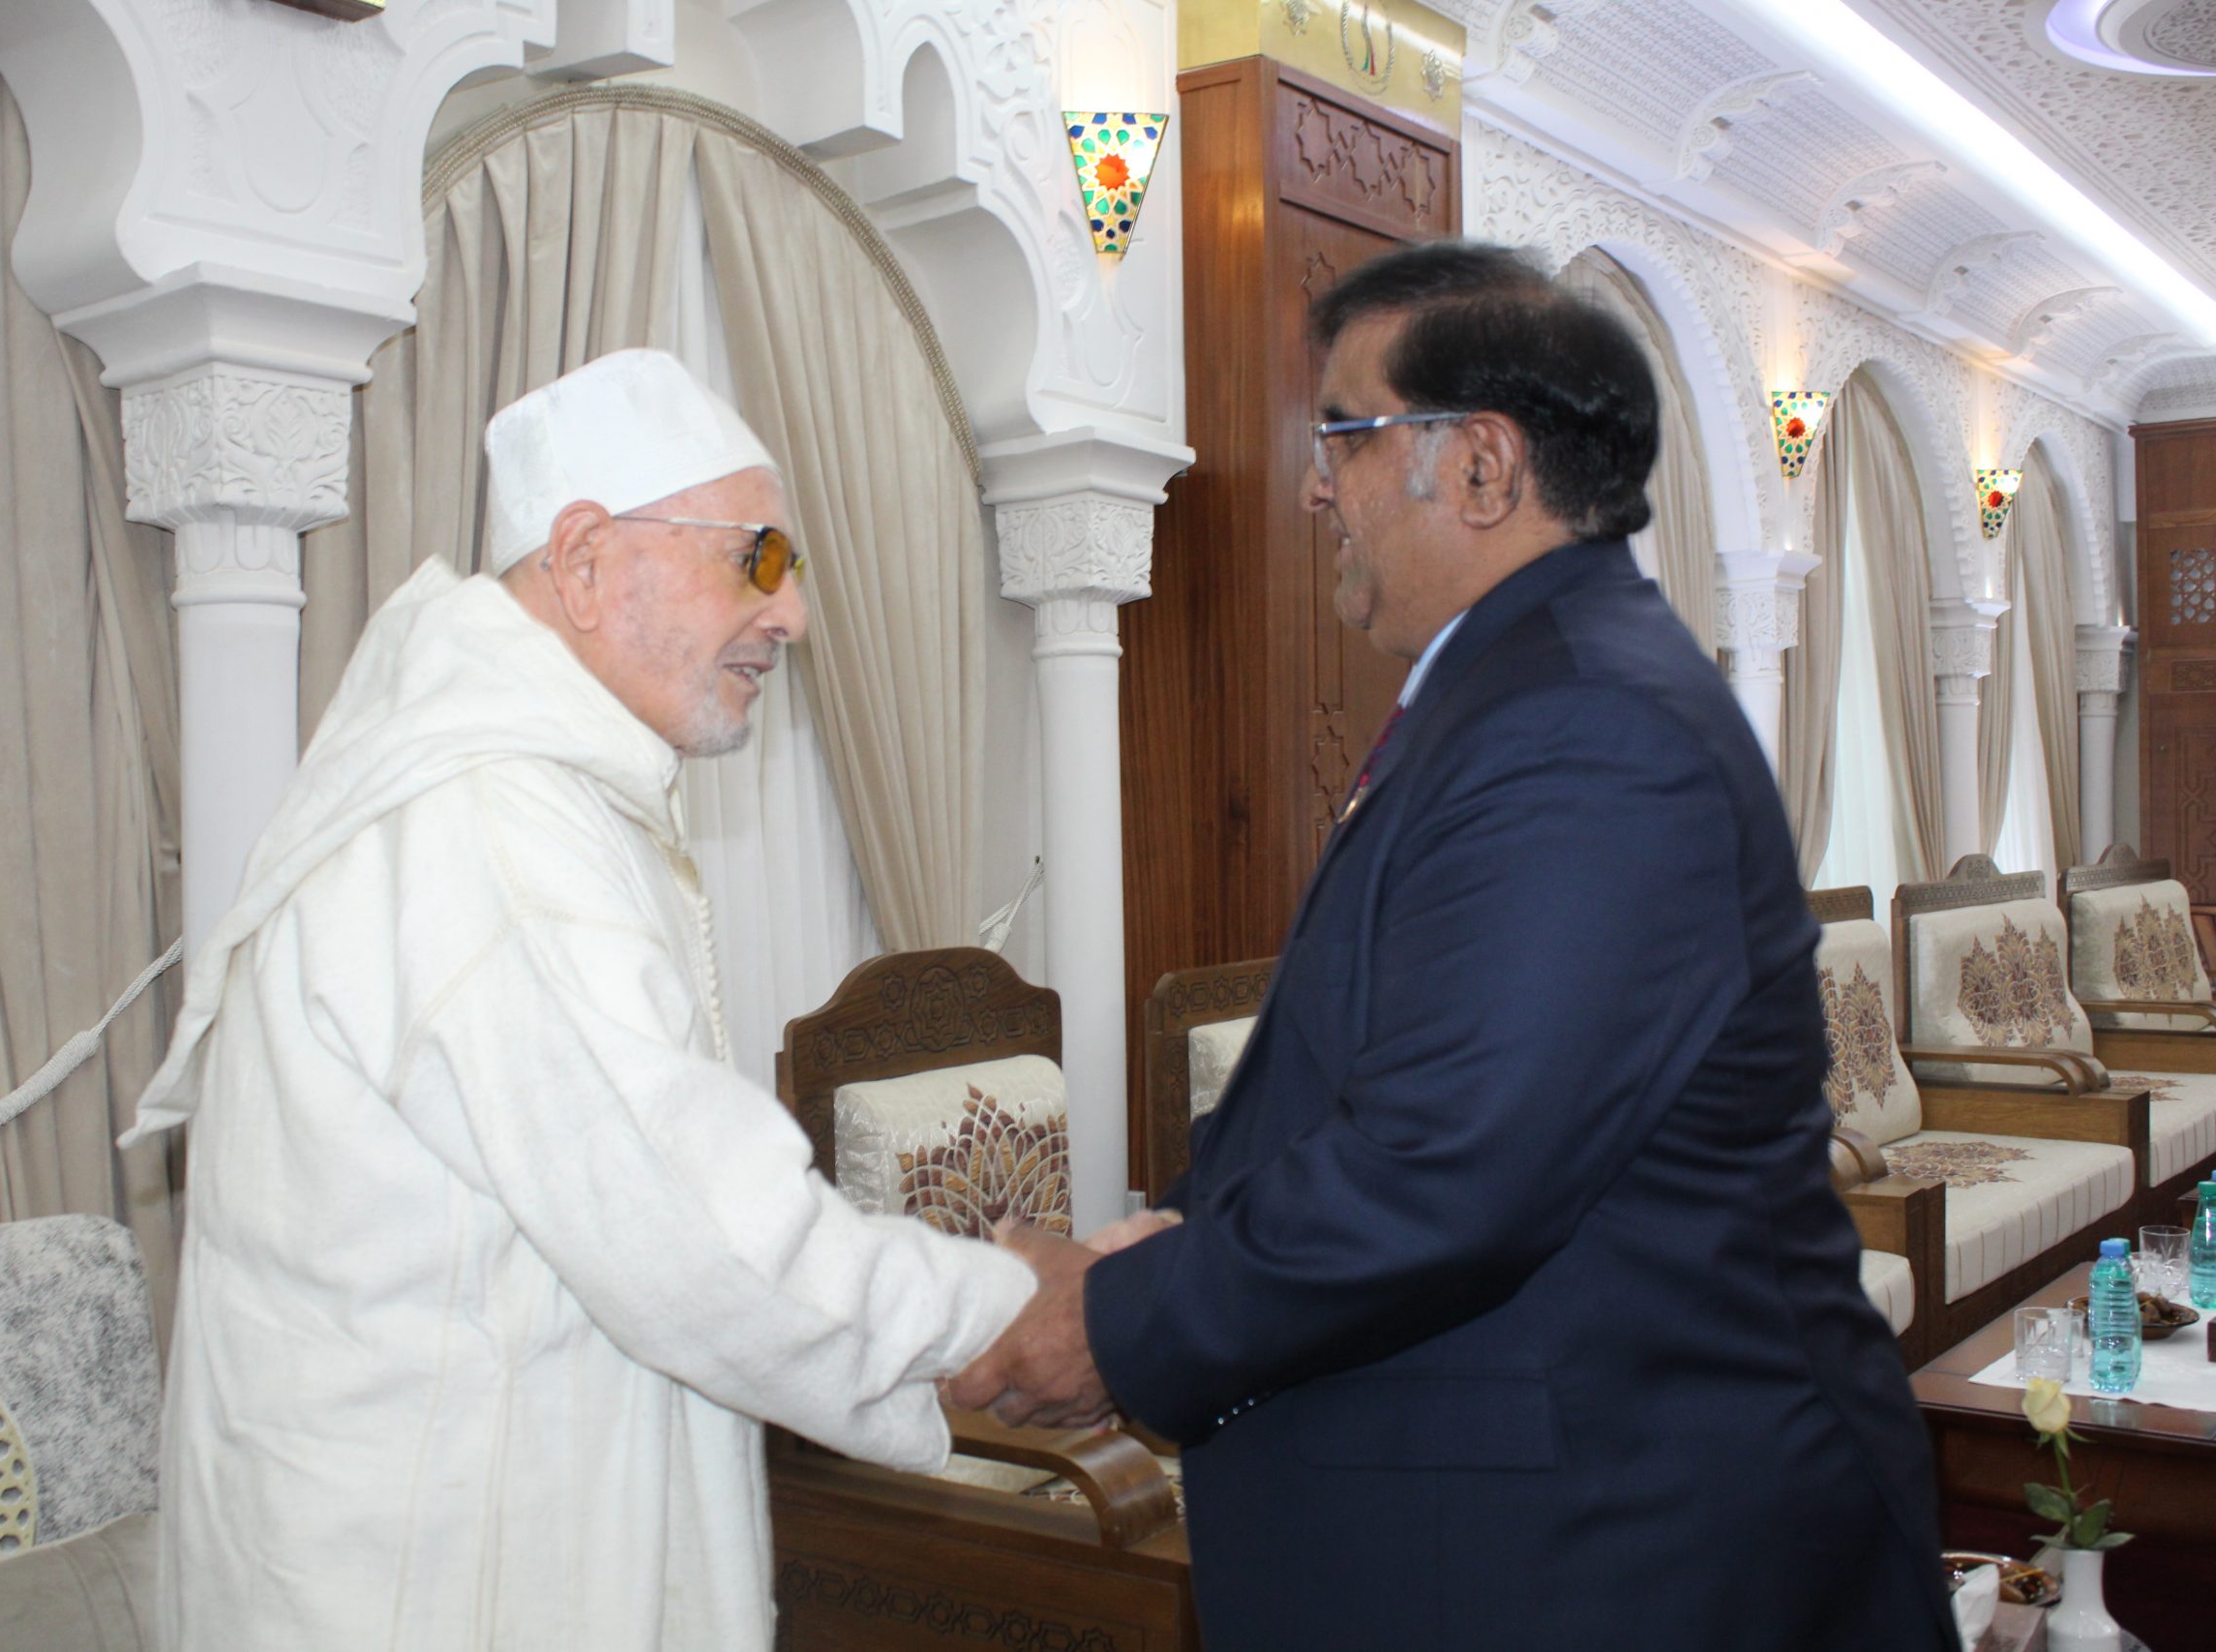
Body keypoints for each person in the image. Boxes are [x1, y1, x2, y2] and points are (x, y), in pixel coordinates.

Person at [949, 244, 1957, 1651]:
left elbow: (1448, 1168)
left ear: (1482, 467)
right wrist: (1175, 1240)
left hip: (1615, 1559)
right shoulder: (1532, 692)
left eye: (1344, 436)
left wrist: (1110, 1319)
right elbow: (1397, 1086)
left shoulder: (1586, 727)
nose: (1315, 487)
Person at [122, 348, 1035, 1651]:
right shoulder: (490, 830)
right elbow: (706, 1243)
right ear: (587, 559)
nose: (793, 613)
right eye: (760, 558)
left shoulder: (527, 790)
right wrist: (1017, 1313)